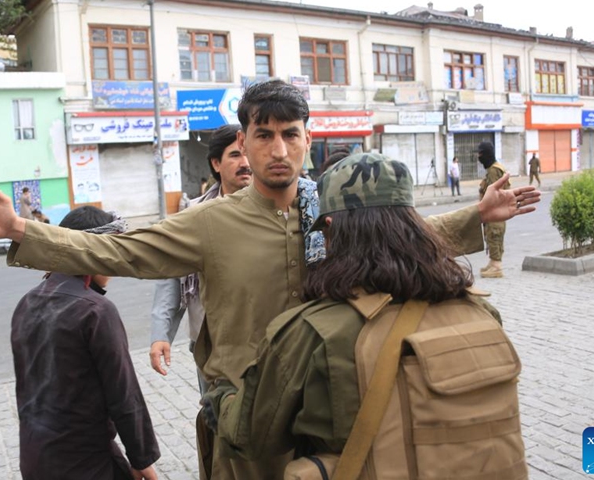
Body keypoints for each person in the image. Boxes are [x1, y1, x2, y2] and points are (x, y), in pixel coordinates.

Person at [0, 79, 540, 480]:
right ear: (243, 144)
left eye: (291, 134)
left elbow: (400, 234)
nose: (279, 148)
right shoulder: (208, 223)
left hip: (331, 415)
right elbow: (117, 250)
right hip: (242, 423)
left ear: (307, 140)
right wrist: (19, 229)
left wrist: (476, 217)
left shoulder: (329, 211)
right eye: (264, 134)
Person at [203, 153, 516, 476]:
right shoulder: (480, 311)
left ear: (330, 227)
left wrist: (223, 398)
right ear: (414, 225)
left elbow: (251, 435)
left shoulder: (311, 333)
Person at [11, 206, 159, 480]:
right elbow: (124, 395)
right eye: (113, 249)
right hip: (84, 463)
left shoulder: (27, 302)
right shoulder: (96, 311)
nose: (117, 260)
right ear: (91, 251)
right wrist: (142, 458)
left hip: (34, 457)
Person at [149, 124, 251, 396]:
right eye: (235, 156)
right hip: (209, 343)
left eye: (249, 154)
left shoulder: (277, 209)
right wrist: (161, 335)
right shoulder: (193, 217)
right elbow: (170, 280)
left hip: (262, 343)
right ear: (216, 163)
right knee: (214, 418)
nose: (246, 163)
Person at [478, 141, 511, 278]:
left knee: (494, 234)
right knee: (492, 235)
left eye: (481, 154)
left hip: (495, 210)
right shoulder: (495, 168)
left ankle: (496, 266)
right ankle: (493, 262)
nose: (478, 157)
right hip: (495, 210)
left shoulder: (493, 170)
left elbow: (494, 192)